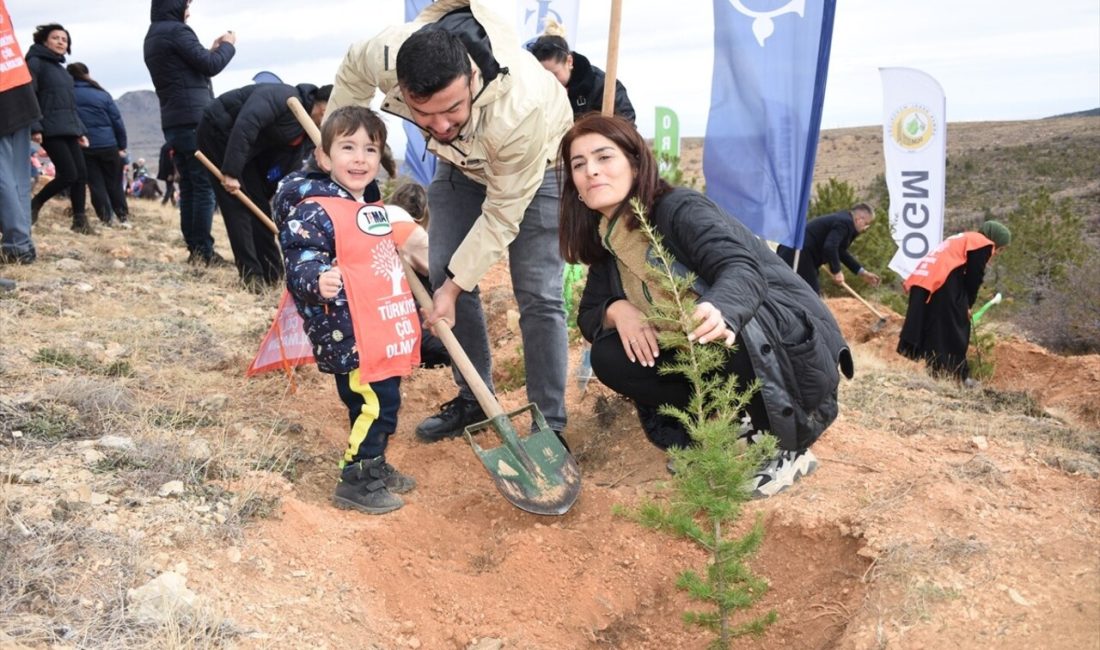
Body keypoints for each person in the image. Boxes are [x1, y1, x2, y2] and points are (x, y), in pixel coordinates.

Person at [562, 114, 854, 498]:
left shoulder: (678, 209)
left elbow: (742, 268)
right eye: (579, 165)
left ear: (635, 163)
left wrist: (721, 307)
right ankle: (720, 425)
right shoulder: (610, 239)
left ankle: (786, 450)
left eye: (604, 157)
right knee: (608, 355)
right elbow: (588, 314)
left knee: (717, 329)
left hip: (784, 342)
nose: (591, 172)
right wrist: (617, 309)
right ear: (576, 189)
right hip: (712, 350)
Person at [327, 0, 573, 444]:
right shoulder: (385, 53)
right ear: (401, 88)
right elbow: (351, 72)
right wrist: (336, 144)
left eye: (453, 109)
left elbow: (501, 215)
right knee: (442, 265)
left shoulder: (522, 112)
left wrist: (455, 288)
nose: (439, 125)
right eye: (425, 113)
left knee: (537, 294)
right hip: (460, 167)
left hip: (537, 169)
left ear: (473, 79)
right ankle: (474, 399)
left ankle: (549, 424)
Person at [273, 106, 419, 514]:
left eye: (370, 149)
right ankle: (356, 479)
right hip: (346, 328)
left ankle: (375, 463)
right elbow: (300, 256)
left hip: (377, 324)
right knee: (374, 402)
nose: (359, 158)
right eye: (347, 147)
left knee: (378, 400)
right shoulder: (315, 209)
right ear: (324, 158)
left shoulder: (366, 206)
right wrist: (317, 278)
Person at [197, 82, 331, 290]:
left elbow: (285, 165)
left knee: (259, 207)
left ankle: (273, 274)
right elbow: (246, 123)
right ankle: (252, 277)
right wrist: (231, 172)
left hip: (248, 153)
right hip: (219, 133)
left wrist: (270, 193)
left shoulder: (307, 135)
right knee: (237, 205)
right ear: (325, 109)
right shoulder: (282, 96)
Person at [144, 0, 236, 266]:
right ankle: (204, 252)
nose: (189, 9)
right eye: (186, 3)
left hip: (174, 121)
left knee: (189, 187)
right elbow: (210, 65)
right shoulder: (177, 31)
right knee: (203, 186)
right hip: (194, 120)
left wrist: (211, 50)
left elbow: (190, 66)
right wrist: (228, 45)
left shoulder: (154, 35)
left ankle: (196, 249)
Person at [897, 221, 1012, 383]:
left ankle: (937, 372)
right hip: (940, 283)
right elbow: (974, 278)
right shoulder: (981, 243)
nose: (998, 252)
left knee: (937, 327)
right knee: (955, 326)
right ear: (995, 240)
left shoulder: (963, 238)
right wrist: (967, 305)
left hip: (926, 282)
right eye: (1001, 248)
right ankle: (957, 376)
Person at [25, 22, 92, 234]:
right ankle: (35, 203)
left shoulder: (61, 70)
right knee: (68, 174)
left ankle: (80, 221)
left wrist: (80, 131)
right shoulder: (35, 62)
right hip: (49, 128)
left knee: (81, 174)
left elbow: (69, 104)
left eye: (64, 39)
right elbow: (30, 94)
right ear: (44, 40)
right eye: (56, 38)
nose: (61, 42)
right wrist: (35, 126)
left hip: (68, 128)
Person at [387, 181, 450, 369]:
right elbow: (438, 271)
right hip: (405, 317)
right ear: (423, 212)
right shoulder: (410, 232)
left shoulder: (373, 218)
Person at [525, 19, 635, 123]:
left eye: (554, 74)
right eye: (544, 76)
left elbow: (627, 122)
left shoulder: (604, 87)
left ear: (569, 61)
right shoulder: (533, 91)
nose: (550, 81)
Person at [0, 1, 41, 264]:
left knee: (4, 175)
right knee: (16, 176)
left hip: (7, 89)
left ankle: (17, 244)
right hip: (17, 85)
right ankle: (22, 242)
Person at [68, 62, 130, 228]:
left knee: (96, 185)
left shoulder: (67, 94)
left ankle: (106, 218)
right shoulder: (101, 94)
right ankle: (123, 216)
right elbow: (116, 120)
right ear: (87, 74)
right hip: (108, 144)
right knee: (114, 183)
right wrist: (121, 144)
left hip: (84, 146)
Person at [776, 204, 881, 294]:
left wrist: (862, 272)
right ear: (859, 219)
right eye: (867, 224)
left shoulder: (844, 220)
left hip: (795, 251)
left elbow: (840, 251)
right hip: (798, 253)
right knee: (811, 296)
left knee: (801, 293)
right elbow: (830, 246)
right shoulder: (845, 223)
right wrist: (837, 271)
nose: (865, 228)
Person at [157, 142, 177, 206]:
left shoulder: (164, 147)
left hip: (164, 170)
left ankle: (173, 202)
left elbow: (162, 160)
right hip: (169, 172)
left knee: (170, 187)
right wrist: (171, 173)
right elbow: (170, 161)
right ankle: (164, 203)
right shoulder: (171, 147)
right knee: (170, 188)